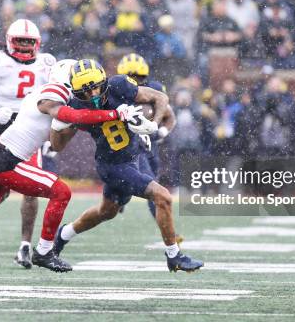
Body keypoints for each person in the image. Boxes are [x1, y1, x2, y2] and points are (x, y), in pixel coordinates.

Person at [0, 59, 143, 278]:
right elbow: (66, 114)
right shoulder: (55, 92)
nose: (85, 92)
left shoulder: (49, 93)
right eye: (81, 86)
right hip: (7, 160)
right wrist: (115, 113)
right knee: (61, 192)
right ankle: (44, 252)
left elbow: (73, 125)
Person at [50, 59, 203, 272]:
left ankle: (62, 235)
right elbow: (57, 145)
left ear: (103, 81)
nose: (93, 95)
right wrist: (56, 126)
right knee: (163, 197)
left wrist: (153, 124)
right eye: (85, 91)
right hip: (114, 166)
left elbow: (160, 97)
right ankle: (174, 255)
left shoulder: (119, 86)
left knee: (106, 212)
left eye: (95, 87)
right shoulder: (76, 107)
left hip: (131, 157)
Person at [0, 18, 54, 269]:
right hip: (1, 129)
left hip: (30, 129)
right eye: (21, 41)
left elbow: (54, 100)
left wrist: (51, 135)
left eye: (30, 42)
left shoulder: (48, 64)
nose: (26, 46)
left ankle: (25, 245)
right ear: (9, 41)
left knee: (32, 188)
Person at [115, 53, 178, 224]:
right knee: (152, 186)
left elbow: (170, 117)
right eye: (130, 77)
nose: (135, 81)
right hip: (128, 146)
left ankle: (120, 199)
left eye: (138, 77)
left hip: (150, 146)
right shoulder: (116, 91)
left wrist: (161, 131)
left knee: (142, 182)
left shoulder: (154, 90)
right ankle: (168, 233)